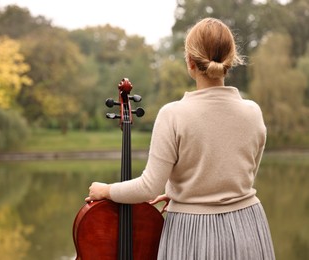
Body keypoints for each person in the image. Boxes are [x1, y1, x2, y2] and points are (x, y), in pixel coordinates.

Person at [85, 17, 275, 260]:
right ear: (230, 61)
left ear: (190, 63)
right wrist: (180, 191)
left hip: (192, 231)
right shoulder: (253, 112)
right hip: (248, 225)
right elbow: (242, 177)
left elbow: (148, 187)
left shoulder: (173, 114)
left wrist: (107, 190)